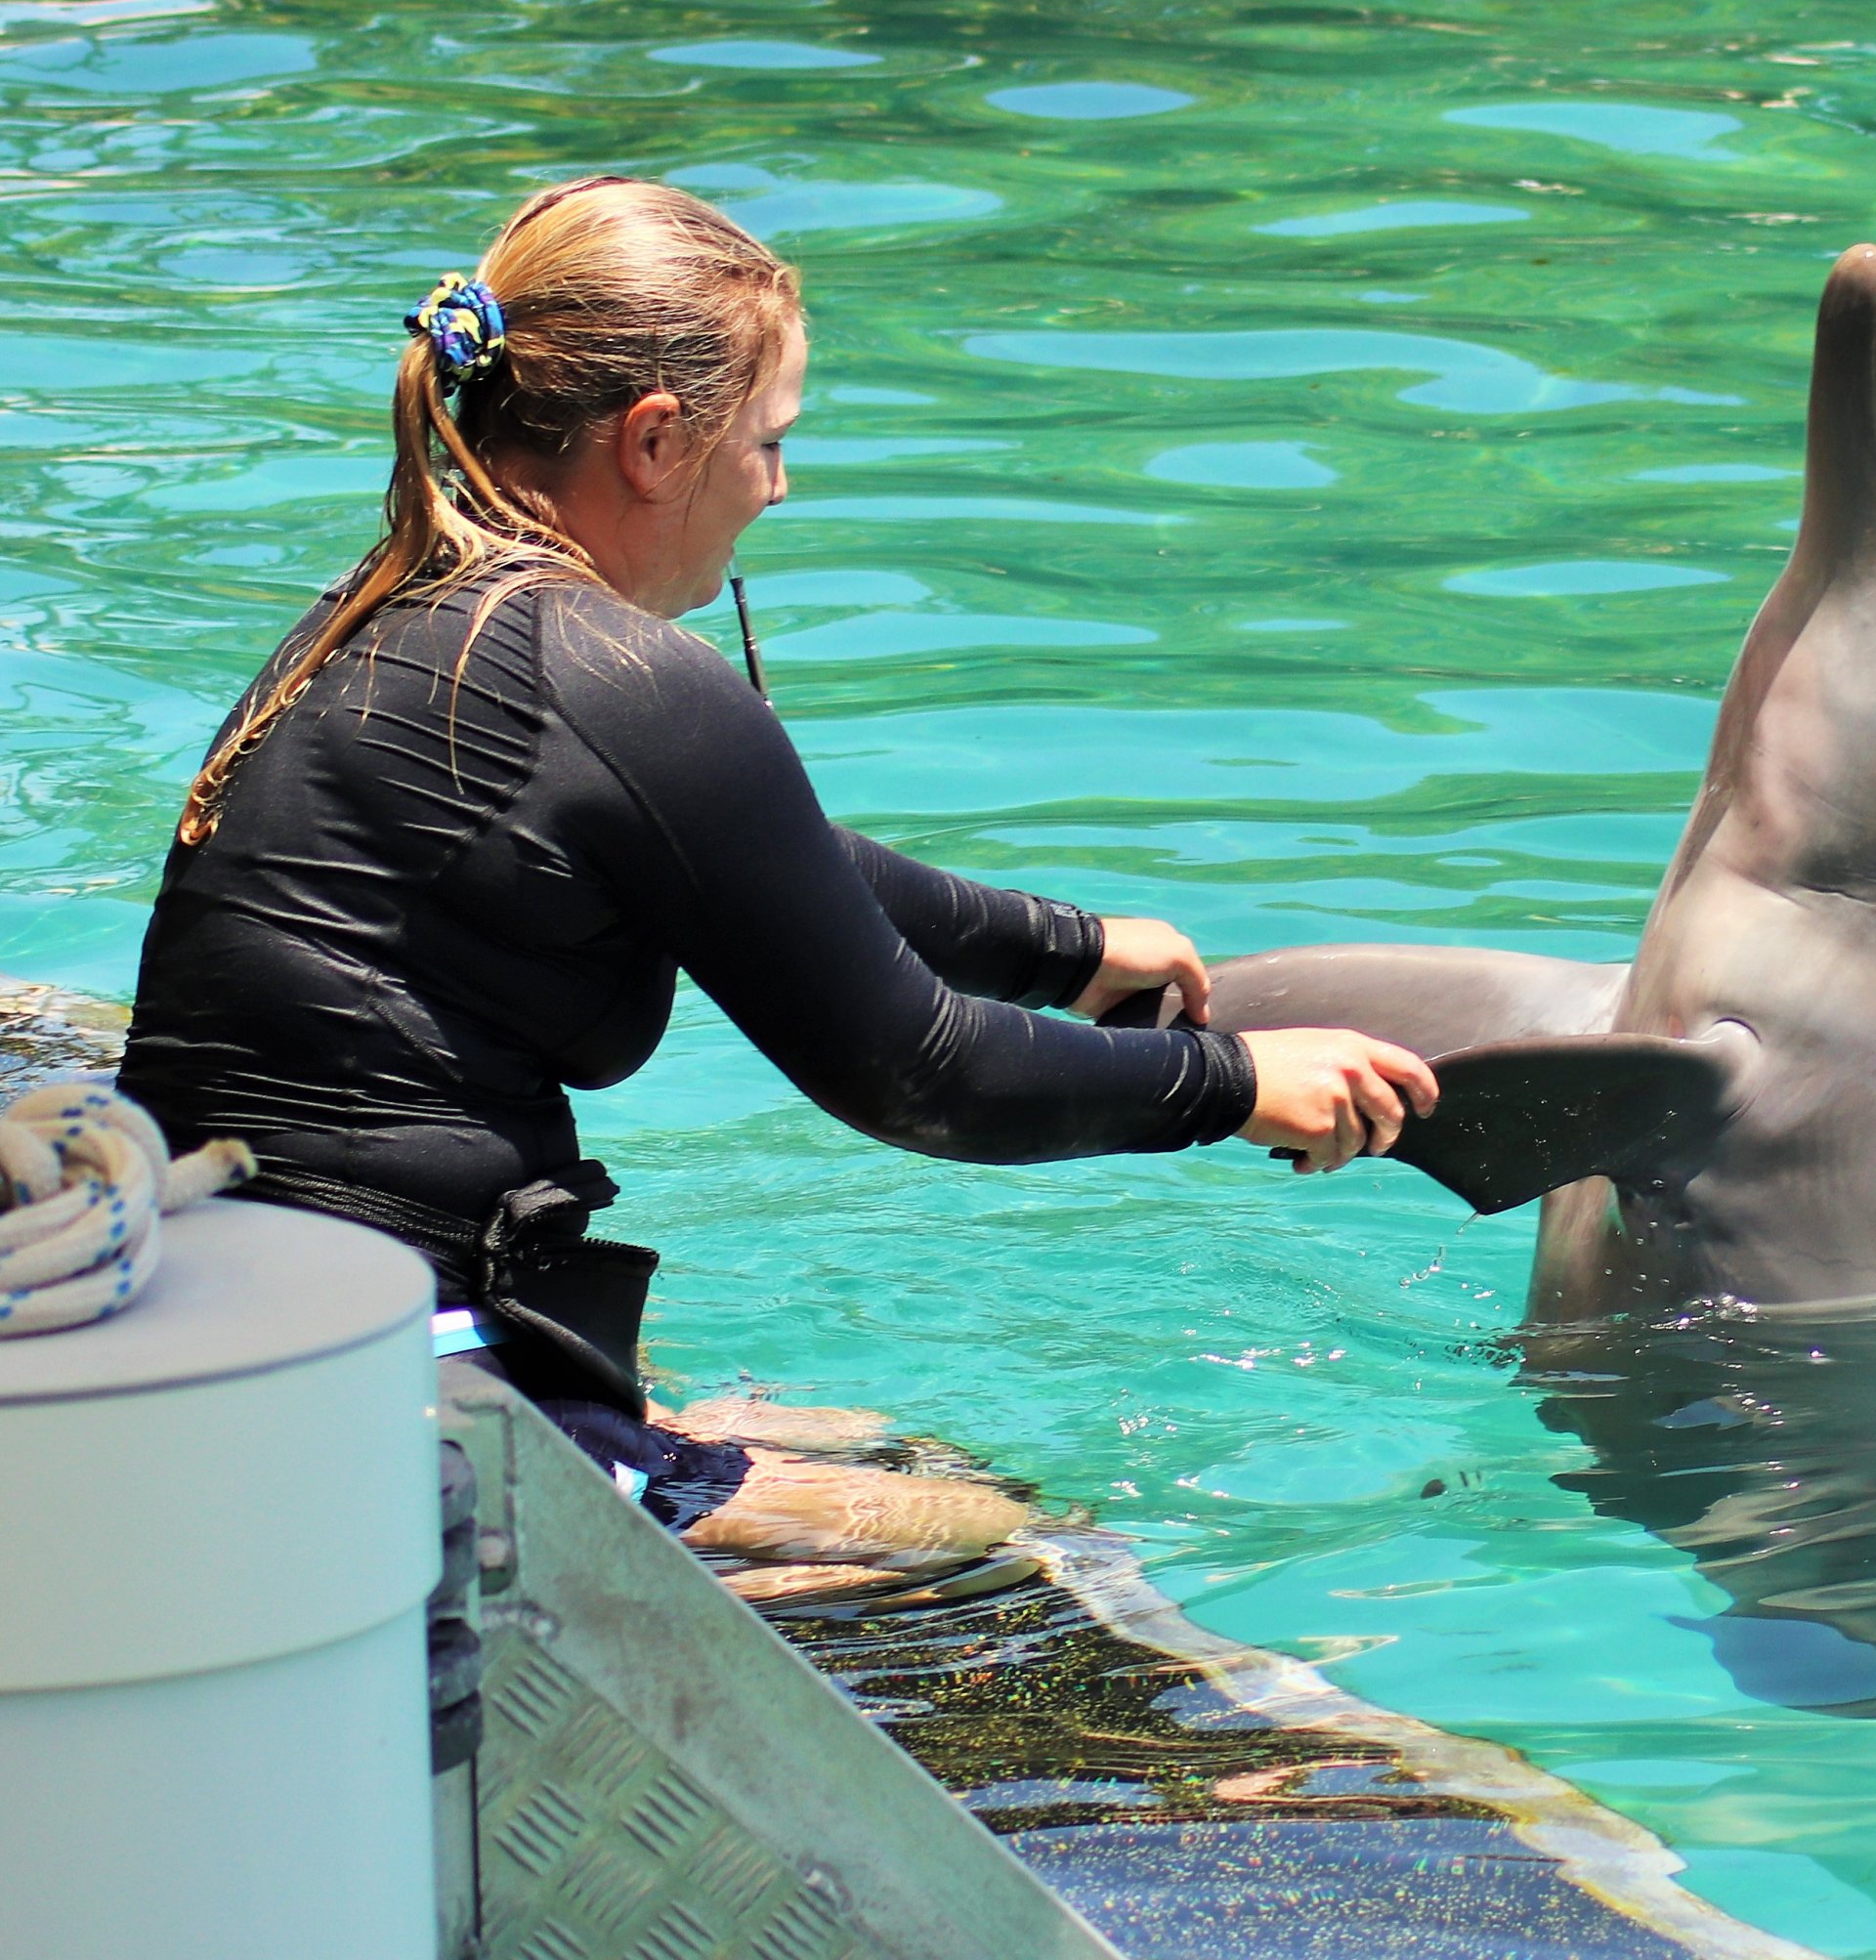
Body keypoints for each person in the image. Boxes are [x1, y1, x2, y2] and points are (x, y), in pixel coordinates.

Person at [119, 176, 1435, 1591]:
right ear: (656, 440)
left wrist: (1067, 947)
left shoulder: (404, 607)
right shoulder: (621, 678)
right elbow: (923, 1078)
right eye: (770, 441)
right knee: (996, 1530)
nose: (781, 486)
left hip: (215, 1292)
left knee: (846, 1440)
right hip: (363, 1383)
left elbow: (767, 868)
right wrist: (1235, 1088)